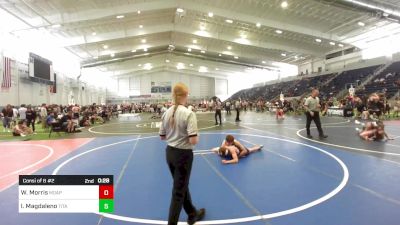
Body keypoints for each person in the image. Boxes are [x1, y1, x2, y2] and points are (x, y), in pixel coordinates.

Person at [159, 83, 205, 225]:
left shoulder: (166, 112)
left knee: (181, 185)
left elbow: (162, 136)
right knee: (178, 191)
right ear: (185, 95)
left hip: (170, 153)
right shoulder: (188, 113)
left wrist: (175, 136)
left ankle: (192, 213)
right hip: (183, 155)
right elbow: (194, 140)